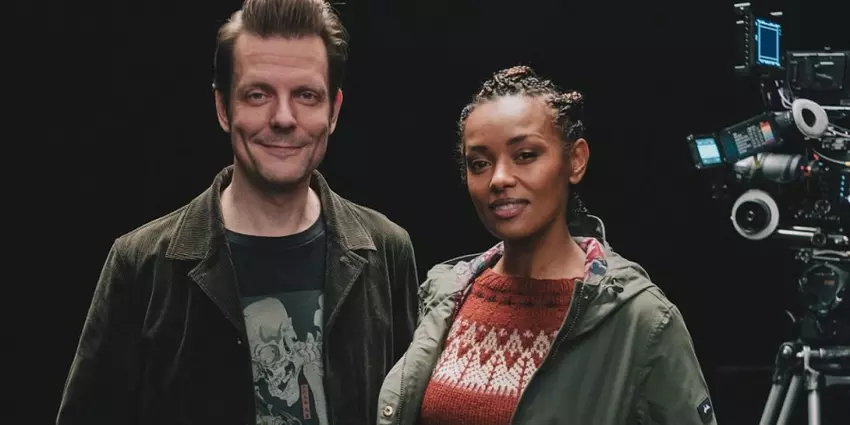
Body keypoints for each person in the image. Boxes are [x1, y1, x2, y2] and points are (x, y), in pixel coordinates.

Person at [56, 1, 419, 424]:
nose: (283, 118)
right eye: (258, 94)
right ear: (223, 108)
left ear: (333, 111)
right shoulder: (141, 265)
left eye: (306, 95)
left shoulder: (387, 252)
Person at [376, 65, 717, 425]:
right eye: (479, 163)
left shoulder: (638, 320)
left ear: (575, 160)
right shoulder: (444, 296)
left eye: (525, 155)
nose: (499, 179)